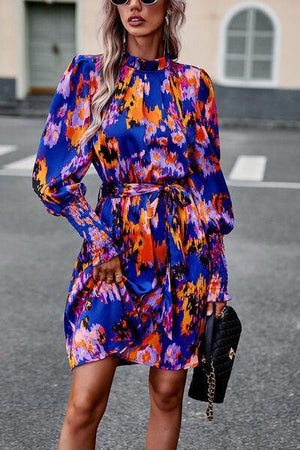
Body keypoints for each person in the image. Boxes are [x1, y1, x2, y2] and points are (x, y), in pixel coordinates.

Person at [32, 0, 235, 448]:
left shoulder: (193, 84)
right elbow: (51, 176)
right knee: (85, 402)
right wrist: (98, 240)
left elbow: (209, 187)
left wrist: (217, 280)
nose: (135, 5)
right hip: (112, 256)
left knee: (167, 393)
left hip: (182, 255)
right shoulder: (89, 75)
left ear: (171, 5)